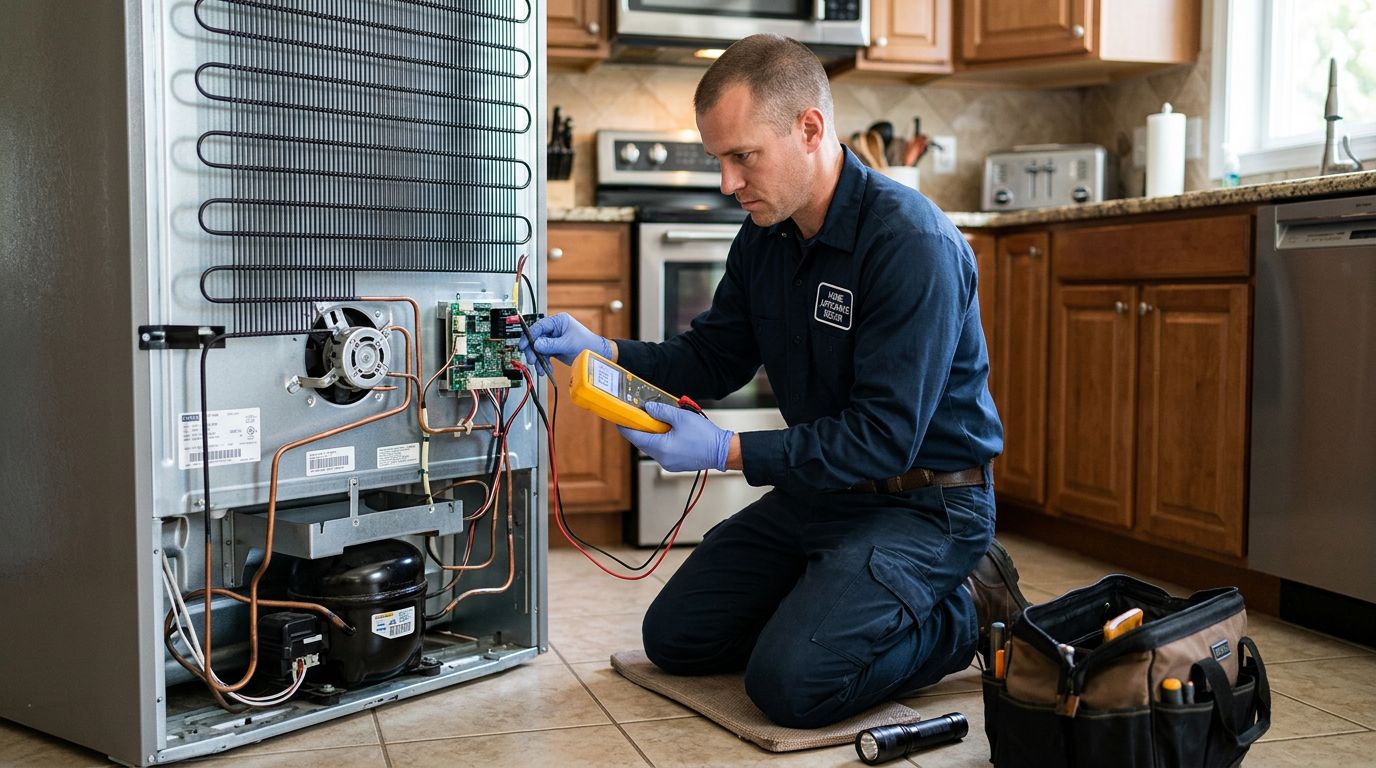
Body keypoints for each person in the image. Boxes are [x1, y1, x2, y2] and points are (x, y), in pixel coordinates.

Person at [521, 34, 1027, 729]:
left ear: (810, 129)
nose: (727, 184)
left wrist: (724, 450)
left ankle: (966, 610)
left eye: (743, 157)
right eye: (718, 160)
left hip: (925, 506)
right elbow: (713, 359)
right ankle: (836, 601)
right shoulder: (766, 235)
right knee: (676, 639)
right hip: (818, 494)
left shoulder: (911, 244)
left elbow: (884, 438)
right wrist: (600, 350)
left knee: (792, 687)